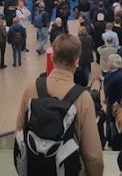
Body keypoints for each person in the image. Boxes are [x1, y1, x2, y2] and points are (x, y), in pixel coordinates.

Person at [15, 34, 104, 175]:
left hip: (35, 169)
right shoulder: (83, 98)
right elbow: (93, 155)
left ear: (52, 57)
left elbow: (19, 131)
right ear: (77, 61)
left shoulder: (31, 88)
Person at [104, 54, 122, 146]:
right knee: (109, 121)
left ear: (114, 63)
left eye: (109, 61)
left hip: (115, 105)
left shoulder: (120, 76)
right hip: (109, 102)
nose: (107, 63)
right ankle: (109, 140)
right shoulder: (110, 73)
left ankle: (113, 141)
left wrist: (117, 102)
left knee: (113, 123)